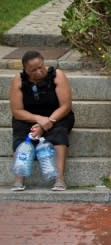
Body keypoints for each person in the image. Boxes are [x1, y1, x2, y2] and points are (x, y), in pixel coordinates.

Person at [9, 50, 75, 191]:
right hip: (30, 117)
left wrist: (47, 123)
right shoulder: (19, 80)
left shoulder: (57, 76)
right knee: (20, 131)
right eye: (33, 70)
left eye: (41, 67)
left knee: (59, 133)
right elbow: (17, 111)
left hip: (57, 116)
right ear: (25, 70)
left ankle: (59, 179)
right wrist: (38, 120)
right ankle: (19, 178)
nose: (39, 72)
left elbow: (66, 106)